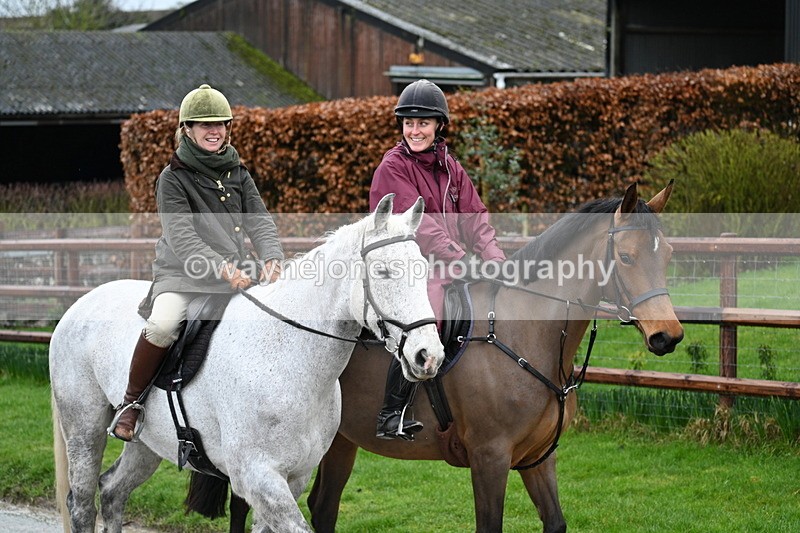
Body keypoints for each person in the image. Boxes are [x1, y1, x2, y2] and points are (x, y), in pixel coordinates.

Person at [108, 84, 284, 442]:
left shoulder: (238, 171)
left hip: (238, 271)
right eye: (205, 124)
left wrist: (273, 258)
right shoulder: (171, 178)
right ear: (186, 129)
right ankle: (131, 403)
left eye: (220, 123)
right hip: (184, 275)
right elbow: (183, 238)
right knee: (163, 324)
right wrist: (221, 268)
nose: (214, 130)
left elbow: (260, 221)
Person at [369, 79, 506, 440]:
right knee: (428, 310)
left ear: (438, 126)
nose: (415, 130)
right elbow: (421, 227)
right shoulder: (392, 167)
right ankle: (392, 411)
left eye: (423, 123)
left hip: (452, 264)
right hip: (410, 266)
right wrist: (461, 258)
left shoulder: (451, 167)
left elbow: (476, 217)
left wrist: (495, 259)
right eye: (409, 123)